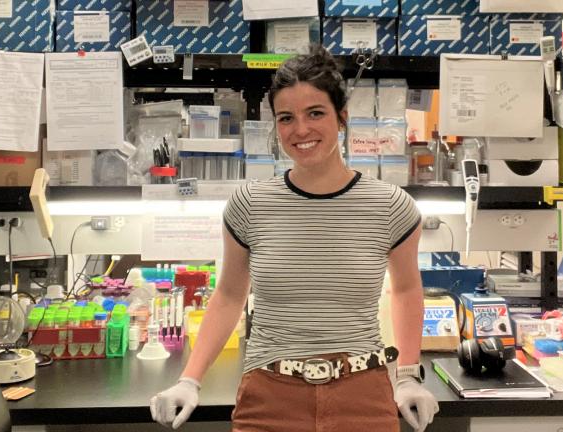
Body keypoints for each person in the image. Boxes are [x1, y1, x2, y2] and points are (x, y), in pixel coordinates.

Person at [150, 44, 438, 432]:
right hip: (269, 395)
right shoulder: (250, 203)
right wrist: (190, 379)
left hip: (363, 394)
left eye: (315, 113)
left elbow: (405, 290)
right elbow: (230, 295)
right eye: (286, 118)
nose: (300, 130)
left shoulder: (391, 206)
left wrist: (406, 376)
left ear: (342, 119)